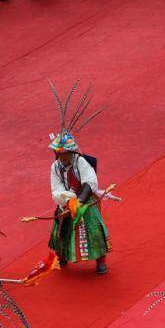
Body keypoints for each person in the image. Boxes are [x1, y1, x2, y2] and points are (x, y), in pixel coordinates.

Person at [47, 81, 112, 274]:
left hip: (85, 201)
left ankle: (100, 260)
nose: (62, 156)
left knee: (94, 229)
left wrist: (80, 203)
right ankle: (62, 255)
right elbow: (55, 189)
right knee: (60, 229)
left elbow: (90, 182)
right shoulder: (55, 167)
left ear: (71, 152)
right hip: (66, 202)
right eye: (59, 153)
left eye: (65, 153)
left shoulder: (81, 162)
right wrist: (68, 202)